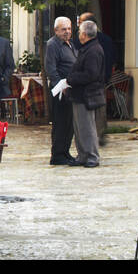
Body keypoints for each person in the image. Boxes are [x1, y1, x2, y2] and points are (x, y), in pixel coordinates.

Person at [65, 20, 107, 167]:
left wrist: (71, 78)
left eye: (79, 32)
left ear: (84, 34)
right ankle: (82, 155)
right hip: (80, 94)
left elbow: (91, 74)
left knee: (87, 127)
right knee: (79, 128)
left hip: (86, 95)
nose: (78, 35)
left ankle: (92, 156)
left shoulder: (93, 50)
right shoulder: (88, 48)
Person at [44, 16, 78, 166]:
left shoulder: (70, 44)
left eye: (69, 28)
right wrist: (61, 86)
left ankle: (65, 152)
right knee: (60, 123)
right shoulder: (53, 45)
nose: (67, 32)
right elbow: (51, 69)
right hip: (60, 91)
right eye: (64, 29)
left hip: (71, 89)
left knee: (69, 123)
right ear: (56, 30)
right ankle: (57, 155)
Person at [79, 12, 114, 145]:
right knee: (99, 107)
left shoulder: (87, 41)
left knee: (92, 108)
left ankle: (94, 135)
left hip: (91, 80)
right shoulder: (106, 39)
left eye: (80, 22)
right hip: (101, 80)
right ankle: (100, 133)